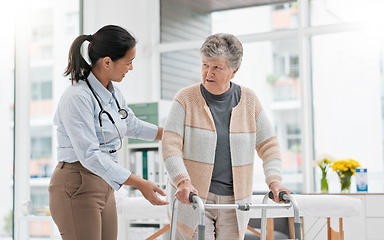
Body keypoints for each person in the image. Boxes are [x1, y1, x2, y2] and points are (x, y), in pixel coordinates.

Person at [162, 33, 290, 240]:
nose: (207, 73)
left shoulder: (249, 100)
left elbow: (269, 145)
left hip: (235, 202)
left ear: (234, 71)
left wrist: (274, 181)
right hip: (193, 200)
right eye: (204, 65)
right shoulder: (185, 99)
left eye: (216, 67)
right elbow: (170, 146)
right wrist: (182, 181)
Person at [48, 25, 168, 240]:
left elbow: (132, 125)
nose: (130, 68)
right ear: (107, 61)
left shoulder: (113, 93)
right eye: (128, 62)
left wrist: (172, 135)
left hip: (104, 183)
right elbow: (90, 155)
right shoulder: (77, 97)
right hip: (77, 182)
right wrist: (140, 183)